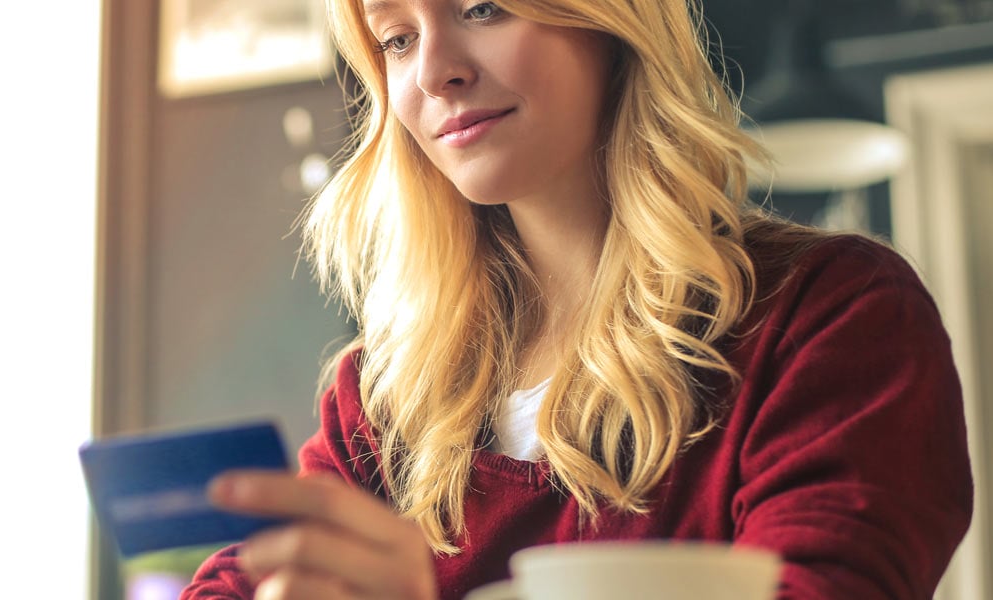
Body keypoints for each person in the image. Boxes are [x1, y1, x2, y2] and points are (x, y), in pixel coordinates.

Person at [179, 0, 973, 599]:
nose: (433, 71)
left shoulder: (831, 319)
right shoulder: (380, 399)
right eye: (398, 37)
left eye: (482, 7)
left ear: (607, 20)